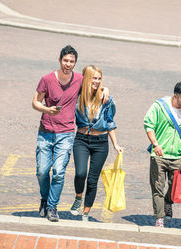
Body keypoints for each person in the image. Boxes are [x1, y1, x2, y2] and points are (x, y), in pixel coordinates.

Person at [32, 45, 109, 222]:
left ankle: (52, 207)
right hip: (45, 132)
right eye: (65, 60)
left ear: (75, 63)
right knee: (42, 171)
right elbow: (35, 102)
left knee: (59, 172)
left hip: (66, 133)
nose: (68, 64)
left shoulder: (80, 79)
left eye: (72, 61)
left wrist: (106, 90)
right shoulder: (47, 79)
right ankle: (45, 199)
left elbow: (96, 84)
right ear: (60, 60)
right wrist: (46, 108)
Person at [70, 65, 123, 221]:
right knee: (80, 173)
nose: (97, 81)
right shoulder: (78, 95)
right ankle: (78, 197)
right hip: (81, 139)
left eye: (99, 78)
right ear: (87, 78)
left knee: (93, 179)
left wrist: (116, 144)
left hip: (100, 142)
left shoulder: (106, 98)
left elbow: (109, 122)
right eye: (94, 78)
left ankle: (86, 212)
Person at [144, 82, 181, 227]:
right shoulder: (159, 106)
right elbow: (149, 124)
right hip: (159, 155)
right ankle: (159, 218)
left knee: (174, 189)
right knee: (157, 188)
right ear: (176, 97)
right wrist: (155, 144)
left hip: (177, 156)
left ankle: (168, 202)